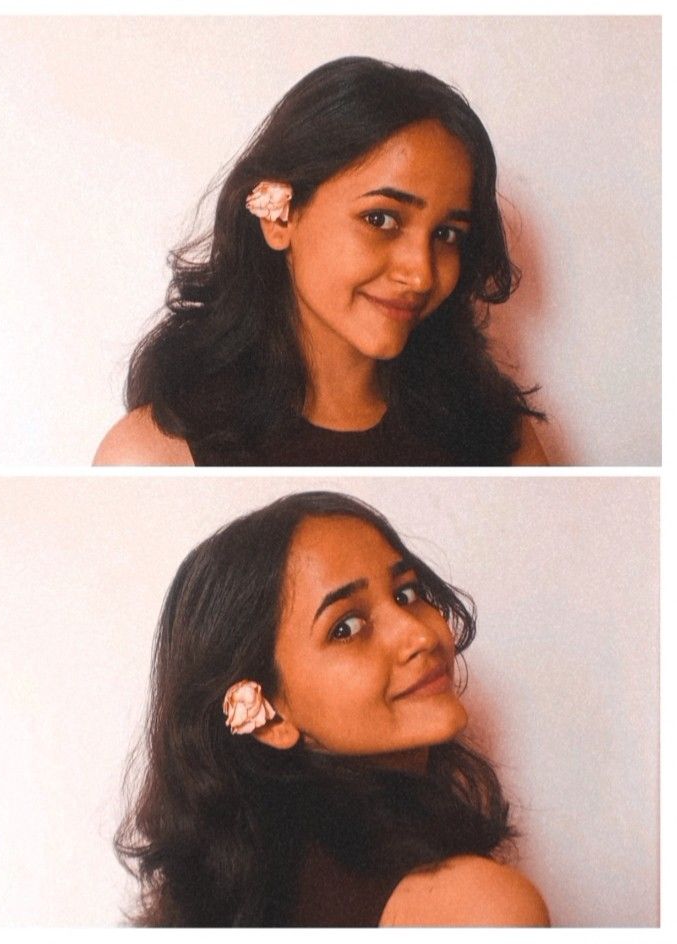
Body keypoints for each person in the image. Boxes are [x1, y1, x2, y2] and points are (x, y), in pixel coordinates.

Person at [115, 491, 550, 926]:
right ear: (267, 714)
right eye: (346, 627)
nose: (419, 635)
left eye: (406, 593)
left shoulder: (251, 899)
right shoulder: (476, 908)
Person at [95, 57, 547, 466]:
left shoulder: (495, 436)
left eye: (447, 235)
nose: (421, 273)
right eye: (381, 218)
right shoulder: (155, 458)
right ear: (279, 215)